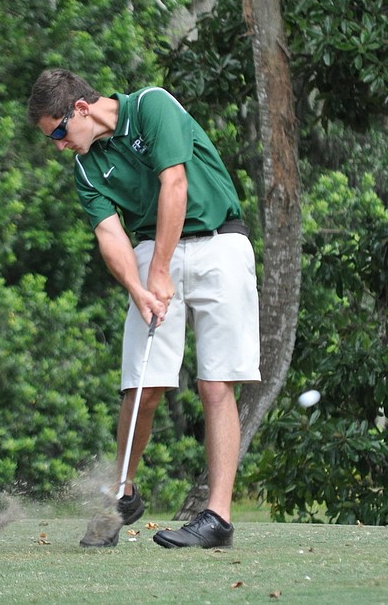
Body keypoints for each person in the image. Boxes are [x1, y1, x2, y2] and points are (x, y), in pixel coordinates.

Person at [26, 68, 261, 549]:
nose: (57, 145)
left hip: (219, 243)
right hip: (151, 251)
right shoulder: (87, 167)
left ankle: (217, 518)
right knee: (143, 386)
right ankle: (123, 495)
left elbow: (174, 182)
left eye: (57, 131)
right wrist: (138, 287)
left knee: (216, 383)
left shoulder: (151, 106)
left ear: (82, 109)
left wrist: (160, 269)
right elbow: (110, 234)